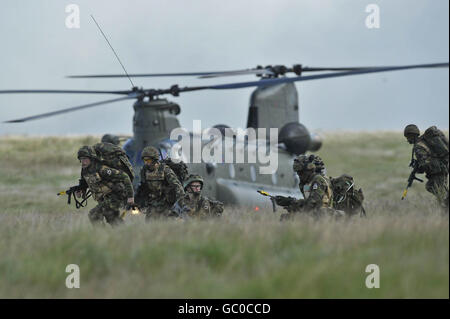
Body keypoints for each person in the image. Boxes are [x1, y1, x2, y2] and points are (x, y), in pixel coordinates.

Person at [76, 145, 134, 226]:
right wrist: (81, 191)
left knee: (94, 215)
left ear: (91, 158)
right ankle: (123, 234)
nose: (83, 162)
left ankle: (101, 235)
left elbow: (125, 176)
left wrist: (130, 197)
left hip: (115, 196)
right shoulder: (85, 170)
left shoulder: (102, 169)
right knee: (112, 218)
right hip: (104, 198)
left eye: (85, 159)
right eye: (81, 159)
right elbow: (85, 182)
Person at [276, 154, 341, 220]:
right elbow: (307, 203)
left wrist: (292, 202)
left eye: (301, 172)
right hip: (315, 214)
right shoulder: (305, 183)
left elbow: (313, 203)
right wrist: (290, 203)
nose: (299, 175)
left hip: (323, 215)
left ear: (309, 170)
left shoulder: (318, 180)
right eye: (298, 173)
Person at [404, 124, 449, 208]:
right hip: (442, 169)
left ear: (411, 135)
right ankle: (444, 210)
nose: (407, 140)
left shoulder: (418, 146)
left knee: (436, 190)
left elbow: (426, 164)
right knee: (441, 192)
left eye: (407, 137)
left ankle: (445, 212)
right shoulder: (424, 142)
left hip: (437, 172)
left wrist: (418, 168)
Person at [135, 146, 185, 220]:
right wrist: (138, 200)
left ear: (154, 159)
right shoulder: (144, 170)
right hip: (152, 204)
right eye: (144, 160)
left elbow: (177, 186)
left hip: (166, 204)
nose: (146, 163)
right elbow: (143, 186)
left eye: (148, 160)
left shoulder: (165, 169)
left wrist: (180, 204)